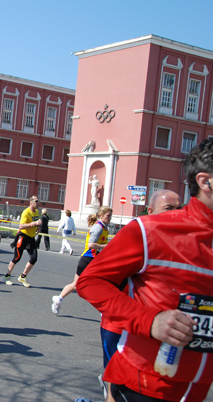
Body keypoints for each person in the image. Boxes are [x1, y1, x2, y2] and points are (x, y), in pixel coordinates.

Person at [77, 138, 213, 402]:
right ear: (205, 181)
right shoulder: (150, 230)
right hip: (143, 386)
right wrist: (151, 321)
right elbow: (90, 282)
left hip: (199, 389)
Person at [51, 206, 112, 315]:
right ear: (101, 216)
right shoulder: (98, 228)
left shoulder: (105, 228)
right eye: (108, 215)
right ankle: (58, 299)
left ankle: (58, 299)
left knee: (99, 283)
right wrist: (105, 247)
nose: (110, 218)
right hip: (88, 259)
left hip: (96, 261)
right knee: (77, 285)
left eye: (111, 215)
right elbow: (91, 245)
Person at [4, 195, 41, 287]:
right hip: (23, 236)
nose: (38, 203)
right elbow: (21, 226)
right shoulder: (26, 212)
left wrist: (38, 227)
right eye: (36, 201)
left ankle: (23, 276)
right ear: (31, 202)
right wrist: (34, 224)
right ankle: (7, 276)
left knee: (34, 258)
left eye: (38, 201)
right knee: (17, 257)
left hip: (31, 238)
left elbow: (37, 222)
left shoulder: (36, 212)